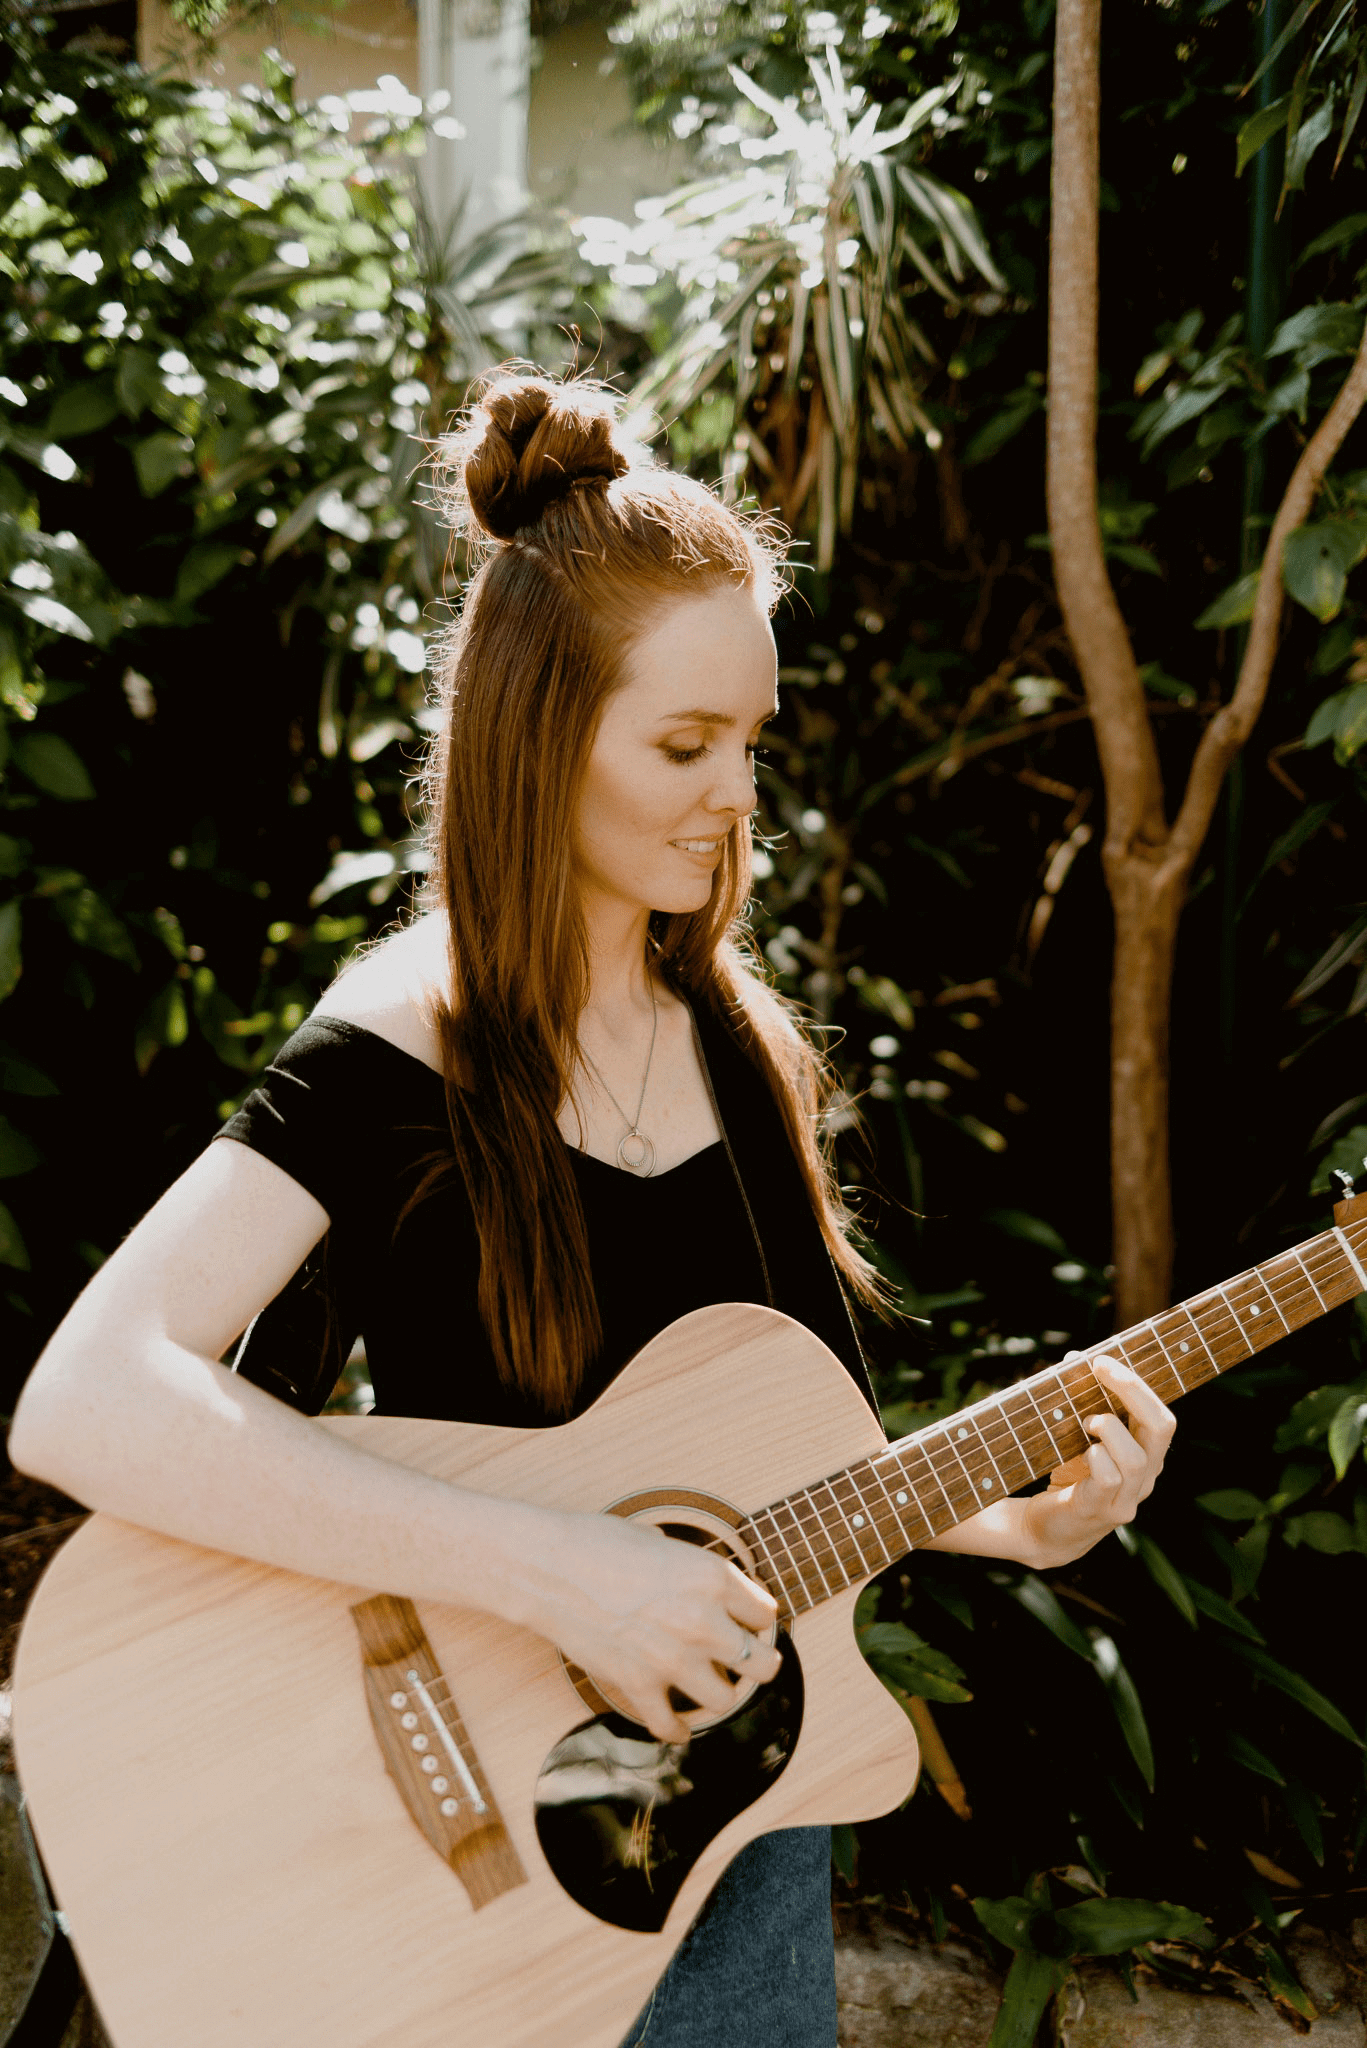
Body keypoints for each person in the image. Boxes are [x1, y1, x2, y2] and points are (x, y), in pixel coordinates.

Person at [9, 370, 1176, 2047]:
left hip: (730, 1844)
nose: (732, 794)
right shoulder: (404, 1037)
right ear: (542, 736)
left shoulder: (744, 1050)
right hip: (443, 1853)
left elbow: (799, 1482)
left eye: (751, 742)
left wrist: (1016, 1521)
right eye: (684, 743)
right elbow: (86, 1398)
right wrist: (556, 1572)